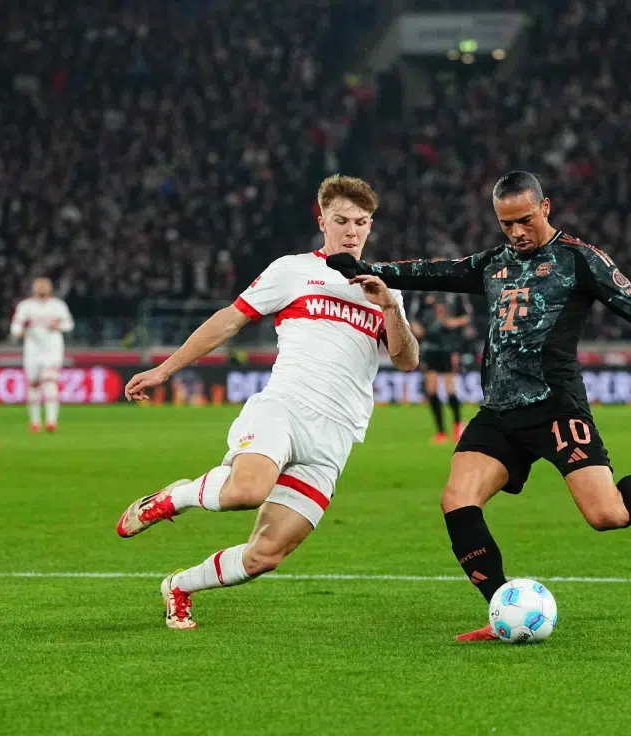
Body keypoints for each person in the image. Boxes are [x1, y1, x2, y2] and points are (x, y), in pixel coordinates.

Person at [327, 171, 631, 642]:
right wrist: (369, 269)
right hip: (500, 411)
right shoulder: (492, 264)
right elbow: (432, 270)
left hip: (557, 408)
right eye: (506, 223)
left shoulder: (580, 261)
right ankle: (501, 609)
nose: (516, 232)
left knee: (607, 515)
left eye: (525, 220)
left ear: (546, 208)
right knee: (457, 500)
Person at [115, 175, 419, 630]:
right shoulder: (292, 270)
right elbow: (227, 321)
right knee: (247, 490)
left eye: (360, 222)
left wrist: (390, 307)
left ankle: (180, 587)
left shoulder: (384, 288)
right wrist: (165, 370)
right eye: (341, 220)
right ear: (322, 221)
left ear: (371, 225)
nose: (351, 231)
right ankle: (174, 496)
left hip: (335, 436)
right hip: (285, 407)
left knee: (265, 555)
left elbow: (406, 360)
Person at [10, 277, 75, 432]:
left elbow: (69, 324)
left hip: (52, 349)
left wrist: (58, 325)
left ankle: (51, 421)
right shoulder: (25, 306)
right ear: (33, 288)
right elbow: (16, 325)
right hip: (32, 350)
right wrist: (19, 331)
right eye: (39, 286)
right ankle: (35, 421)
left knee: (50, 382)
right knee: (33, 384)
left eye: (45, 285)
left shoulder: (58, 306)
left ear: (50, 288)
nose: (42, 288)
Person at [409, 290, 474, 443]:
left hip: (449, 346)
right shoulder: (422, 294)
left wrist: (453, 322)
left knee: (450, 388)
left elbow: (467, 317)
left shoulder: (457, 293)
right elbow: (413, 318)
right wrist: (416, 327)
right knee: (431, 390)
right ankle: (440, 431)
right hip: (429, 347)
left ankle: (458, 424)